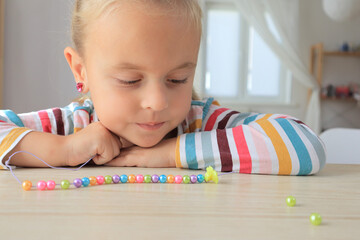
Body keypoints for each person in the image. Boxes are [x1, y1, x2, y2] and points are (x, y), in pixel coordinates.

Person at [0, 0, 325, 175]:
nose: (157, 102)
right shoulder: (70, 128)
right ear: (80, 69)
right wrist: (64, 150)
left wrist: (168, 154)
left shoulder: (200, 123)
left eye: (177, 79)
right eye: (130, 80)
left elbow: (304, 145)